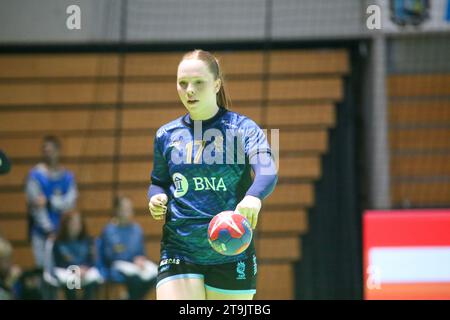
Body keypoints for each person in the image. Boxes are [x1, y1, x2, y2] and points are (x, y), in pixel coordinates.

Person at [147, 49, 278, 300]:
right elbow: (158, 182)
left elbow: (267, 169)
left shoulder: (242, 129)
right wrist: (156, 197)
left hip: (233, 250)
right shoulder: (166, 134)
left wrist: (254, 197)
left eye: (198, 83)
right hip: (180, 251)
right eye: (183, 83)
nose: (189, 90)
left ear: (217, 84)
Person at [25, 136, 78, 269]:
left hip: (64, 233)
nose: (48, 154)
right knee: (45, 271)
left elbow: (70, 203)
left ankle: (72, 289)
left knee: (70, 270)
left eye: (51, 150)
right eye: (45, 151)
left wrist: (49, 202)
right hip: (42, 234)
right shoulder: (35, 176)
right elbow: (36, 207)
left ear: (58, 151)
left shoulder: (68, 177)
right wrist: (49, 229)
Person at [98, 196, 158, 300]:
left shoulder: (136, 229)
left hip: (136, 265)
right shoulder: (109, 231)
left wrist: (141, 259)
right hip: (117, 266)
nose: (128, 212)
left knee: (155, 274)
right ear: (117, 210)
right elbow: (110, 256)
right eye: (125, 209)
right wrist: (131, 260)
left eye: (129, 209)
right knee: (135, 278)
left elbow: (141, 252)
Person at [50, 210, 103, 300]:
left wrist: (85, 268)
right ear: (66, 225)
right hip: (67, 271)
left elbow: (91, 259)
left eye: (78, 223)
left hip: (84, 271)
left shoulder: (88, 240)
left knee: (93, 280)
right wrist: (75, 269)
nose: (76, 226)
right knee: (72, 281)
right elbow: (59, 262)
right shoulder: (58, 242)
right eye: (73, 223)